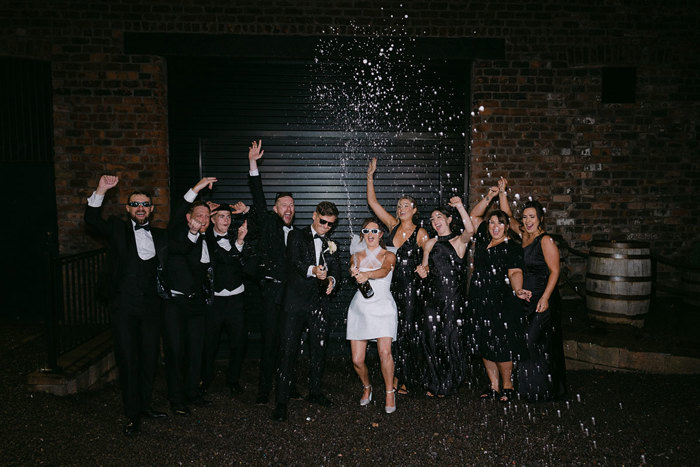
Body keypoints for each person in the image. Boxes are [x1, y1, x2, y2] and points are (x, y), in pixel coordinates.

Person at [84, 175, 168, 436]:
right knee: (129, 360)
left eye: (145, 204)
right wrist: (100, 190)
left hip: (152, 309)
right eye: (135, 204)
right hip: (124, 309)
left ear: (152, 209)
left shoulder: (159, 235)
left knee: (148, 359)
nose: (140, 208)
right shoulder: (118, 229)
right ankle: (132, 414)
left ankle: (144, 406)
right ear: (128, 208)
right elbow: (92, 221)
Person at [273, 201, 341, 421]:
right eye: (323, 222)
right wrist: (313, 270)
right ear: (314, 216)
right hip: (295, 303)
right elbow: (295, 262)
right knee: (288, 351)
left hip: (319, 303)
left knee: (319, 350)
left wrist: (331, 280)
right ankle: (281, 402)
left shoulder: (332, 242)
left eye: (330, 224)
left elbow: (337, 271)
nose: (326, 227)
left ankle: (315, 391)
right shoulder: (296, 236)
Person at [247, 140, 303, 405]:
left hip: (292, 297)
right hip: (271, 294)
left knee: (289, 343)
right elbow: (258, 199)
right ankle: (263, 388)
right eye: (283, 205)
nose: (288, 209)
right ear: (275, 209)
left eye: (291, 205)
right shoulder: (268, 224)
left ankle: (288, 385)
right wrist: (253, 164)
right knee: (269, 342)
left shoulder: (299, 234)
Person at [366, 157, 428, 395]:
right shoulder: (391, 225)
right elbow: (373, 203)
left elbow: (429, 259)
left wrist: (426, 270)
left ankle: (408, 379)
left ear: (414, 210)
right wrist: (370, 176)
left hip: (411, 288)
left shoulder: (421, 233)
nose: (401, 209)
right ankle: (394, 375)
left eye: (406, 205)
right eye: (399, 205)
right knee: (392, 332)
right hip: (389, 286)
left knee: (408, 332)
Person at [468, 182, 530, 403]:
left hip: (502, 300)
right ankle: (493, 386)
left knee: (502, 344)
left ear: (506, 226)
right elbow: (474, 217)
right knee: (485, 343)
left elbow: (514, 272)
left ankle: (508, 385)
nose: (495, 226)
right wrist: (489, 196)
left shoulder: (512, 247)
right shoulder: (484, 238)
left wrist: (518, 289)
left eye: (499, 223)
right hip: (479, 298)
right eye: (492, 222)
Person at [163, 177, 217, 416]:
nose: (203, 220)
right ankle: (176, 400)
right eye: (198, 216)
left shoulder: (208, 237)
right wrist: (196, 187)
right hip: (175, 303)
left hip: (196, 304)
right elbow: (180, 211)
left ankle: (193, 394)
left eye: (206, 217)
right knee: (176, 352)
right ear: (188, 217)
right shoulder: (178, 232)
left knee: (196, 350)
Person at [503, 199, 567, 401]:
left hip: (542, 298)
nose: (528, 221)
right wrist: (503, 193)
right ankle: (529, 388)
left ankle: (544, 389)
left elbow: (555, 271)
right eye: (525, 217)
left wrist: (546, 298)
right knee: (526, 342)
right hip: (526, 299)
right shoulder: (523, 235)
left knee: (534, 341)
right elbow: (508, 217)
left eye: (532, 217)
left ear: (540, 219)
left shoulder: (545, 240)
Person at [415, 197, 474, 397]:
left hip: (452, 299)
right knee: (431, 339)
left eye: (439, 217)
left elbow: (471, 230)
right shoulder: (430, 243)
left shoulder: (458, 241)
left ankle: (449, 382)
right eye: (432, 219)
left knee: (450, 339)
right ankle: (434, 381)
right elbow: (425, 267)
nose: (435, 221)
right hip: (432, 298)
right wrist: (422, 271)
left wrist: (459, 206)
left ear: (449, 219)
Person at [201, 202, 255, 397]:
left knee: (239, 342)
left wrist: (240, 241)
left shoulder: (238, 237)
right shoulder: (204, 239)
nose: (226, 220)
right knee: (209, 343)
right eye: (221, 216)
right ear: (213, 219)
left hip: (236, 299)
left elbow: (245, 265)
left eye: (228, 216)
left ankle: (233, 379)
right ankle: (204, 380)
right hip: (214, 301)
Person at [347, 218, 399, 413]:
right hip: (361, 307)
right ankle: (367, 387)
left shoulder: (389, 255)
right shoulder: (356, 256)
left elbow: (385, 271)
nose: (370, 235)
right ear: (363, 234)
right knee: (357, 360)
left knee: (385, 353)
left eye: (374, 231)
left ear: (380, 234)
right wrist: (354, 272)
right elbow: (352, 269)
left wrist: (367, 275)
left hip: (383, 307)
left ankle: (388, 392)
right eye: (366, 231)